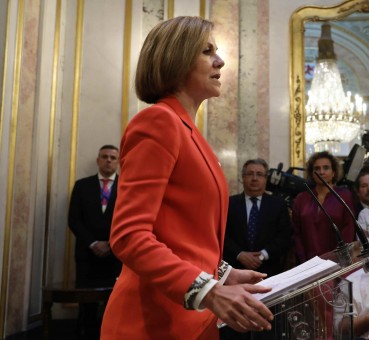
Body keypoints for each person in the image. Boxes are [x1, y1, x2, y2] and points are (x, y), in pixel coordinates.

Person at [101, 17, 273, 339]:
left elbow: (182, 238)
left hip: (190, 320)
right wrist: (207, 290)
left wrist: (222, 273)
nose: (220, 60)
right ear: (176, 59)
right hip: (151, 321)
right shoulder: (158, 121)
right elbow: (128, 236)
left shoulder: (189, 132)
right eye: (207, 51)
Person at [68, 144, 122, 338]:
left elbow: (128, 221)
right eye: (104, 156)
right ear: (98, 160)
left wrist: (110, 244)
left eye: (113, 157)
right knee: (87, 307)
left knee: (115, 303)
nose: (108, 160)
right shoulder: (82, 186)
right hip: (87, 255)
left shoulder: (126, 187)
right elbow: (74, 219)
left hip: (116, 255)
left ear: (118, 162)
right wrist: (93, 243)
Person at [223, 159, 292, 277]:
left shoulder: (278, 205)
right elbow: (222, 235)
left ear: (266, 179)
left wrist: (262, 255)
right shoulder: (228, 203)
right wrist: (240, 254)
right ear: (242, 177)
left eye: (259, 174)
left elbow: (285, 236)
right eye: (250, 174)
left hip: (269, 271)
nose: (254, 178)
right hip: (234, 271)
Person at [292, 151, 356, 262]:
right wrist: (304, 260)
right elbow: (296, 233)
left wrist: (337, 259)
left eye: (326, 168)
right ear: (312, 173)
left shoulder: (344, 195)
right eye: (317, 168)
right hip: (307, 263)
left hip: (337, 263)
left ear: (334, 172)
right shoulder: (301, 198)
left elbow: (349, 230)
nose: (321, 172)